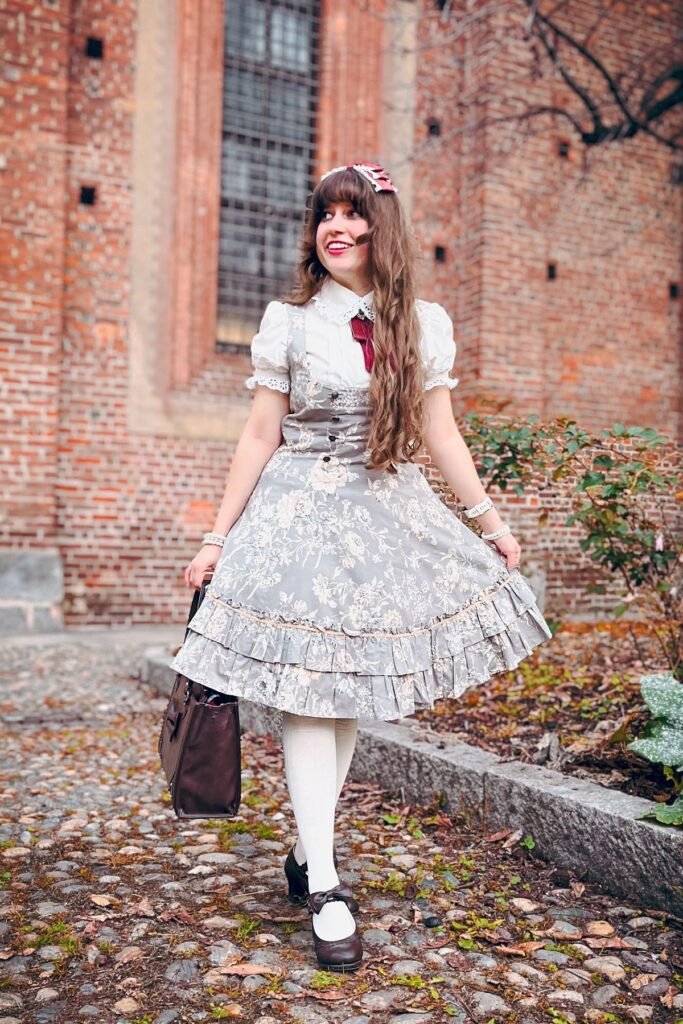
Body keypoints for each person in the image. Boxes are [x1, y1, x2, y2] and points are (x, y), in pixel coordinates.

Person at [170, 162, 552, 973]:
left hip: (386, 518)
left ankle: (312, 854)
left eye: (354, 214)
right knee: (311, 692)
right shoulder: (290, 321)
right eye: (325, 216)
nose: (336, 228)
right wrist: (215, 536)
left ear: (383, 227)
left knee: (341, 697)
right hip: (299, 515)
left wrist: (488, 520)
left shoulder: (424, 322)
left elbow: (440, 434)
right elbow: (257, 434)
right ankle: (327, 884)